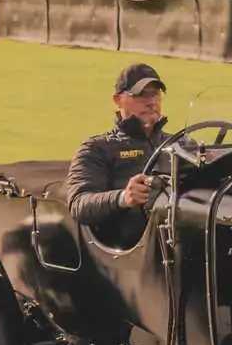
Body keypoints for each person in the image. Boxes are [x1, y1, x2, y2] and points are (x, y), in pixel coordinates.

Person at [64, 62, 169, 248]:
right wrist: (123, 198)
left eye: (155, 94)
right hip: (127, 251)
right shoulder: (96, 149)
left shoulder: (181, 144)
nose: (151, 101)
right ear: (117, 100)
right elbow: (79, 204)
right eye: (141, 95)